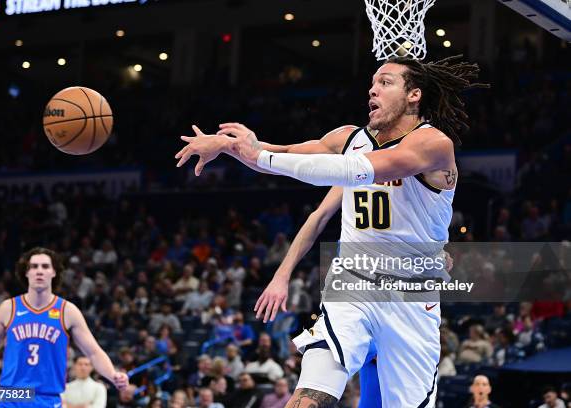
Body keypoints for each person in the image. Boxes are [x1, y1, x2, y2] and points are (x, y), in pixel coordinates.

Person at [177, 55, 486, 407]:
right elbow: (285, 154)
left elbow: (362, 169)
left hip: (410, 298)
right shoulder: (347, 138)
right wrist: (231, 145)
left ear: (413, 95)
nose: (373, 89)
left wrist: (259, 156)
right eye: (372, 83)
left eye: (385, 82)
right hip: (352, 283)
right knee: (310, 395)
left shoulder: (433, 144)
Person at [0, 247, 128, 407]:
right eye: (34, 266)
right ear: (26, 272)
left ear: (54, 272)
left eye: (45, 266)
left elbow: (93, 352)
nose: (39, 270)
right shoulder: (8, 308)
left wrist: (113, 375)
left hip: (46, 397)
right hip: (11, 396)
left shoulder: (67, 311)